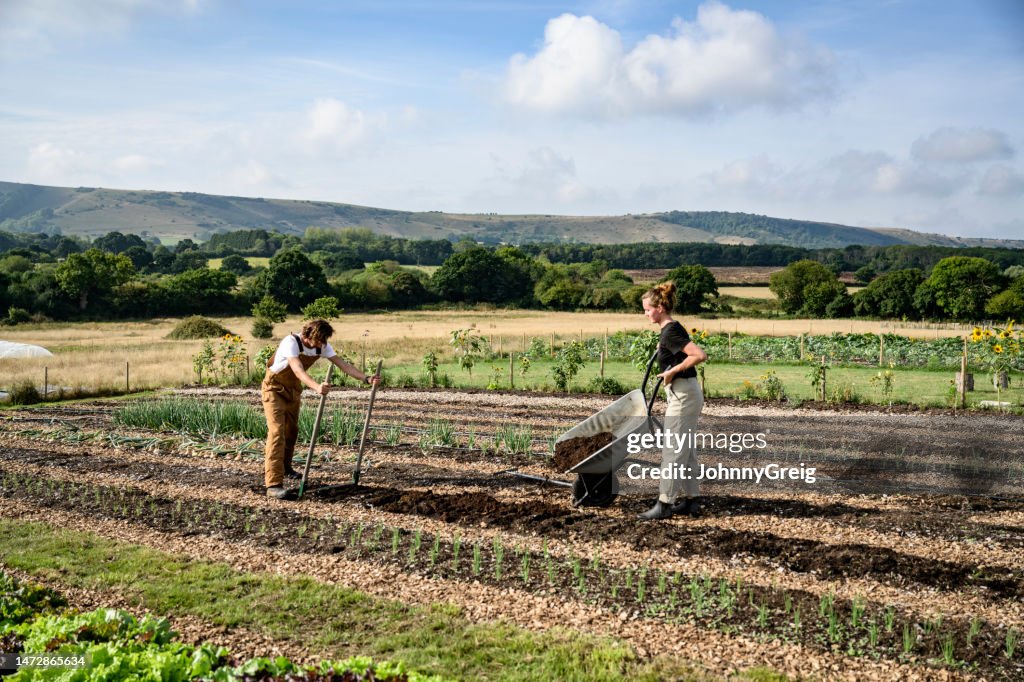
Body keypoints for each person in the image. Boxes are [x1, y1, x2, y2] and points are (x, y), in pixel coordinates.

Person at [262, 319, 380, 499]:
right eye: (318, 340)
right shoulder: (290, 342)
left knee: (291, 431)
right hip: (273, 389)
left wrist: (366, 378)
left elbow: (342, 364)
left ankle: (286, 468)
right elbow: (297, 369)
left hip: (293, 391)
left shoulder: (321, 345)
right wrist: (316, 387)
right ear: (308, 335)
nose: (321, 344)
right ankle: (273, 484)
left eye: (323, 340)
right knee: (277, 432)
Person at [638, 281, 708, 520]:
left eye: (647, 309)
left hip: (684, 394)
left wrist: (672, 371)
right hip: (684, 393)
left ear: (659, 307)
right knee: (685, 451)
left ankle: (665, 504)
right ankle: (691, 501)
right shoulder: (670, 330)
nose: (645, 313)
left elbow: (699, 355)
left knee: (673, 451)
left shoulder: (671, 331)